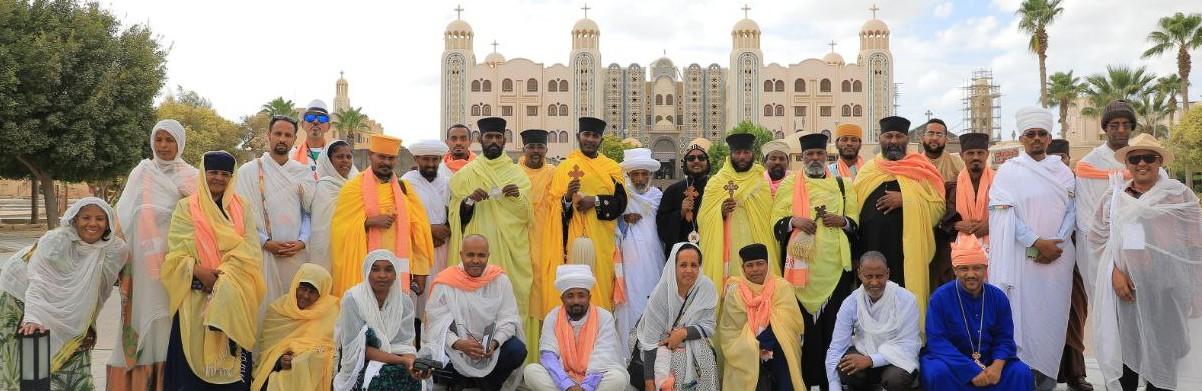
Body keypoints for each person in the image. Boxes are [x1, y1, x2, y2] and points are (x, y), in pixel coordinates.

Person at [1090, 134, 1202, 391]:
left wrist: (1196, 293)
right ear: (1127, 164)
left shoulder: (1179, 195)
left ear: (1159, 161)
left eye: (1149, 158)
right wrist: (1114, 274)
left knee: (1164, 358)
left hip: (1168, 289)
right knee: (1128, 360)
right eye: (1135, 158)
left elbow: (1196, 246)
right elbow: (1097, 240)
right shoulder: (1115, 197)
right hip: (1127, 290)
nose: (1142, 163)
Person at [988, 107, 1077, 391]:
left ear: (1049, 138)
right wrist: (1036, 242)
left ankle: (1047, 380)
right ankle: (1019, 380)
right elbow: (1003, 215)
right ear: (1022, 138)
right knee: (1021, 316)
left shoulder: (1062, 172)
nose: (1036, 138)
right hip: (1022, 258)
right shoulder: (1008, 172)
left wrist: (1056, 243)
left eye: (1041, 134)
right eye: (1030, 134)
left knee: (1051, 316)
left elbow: (1072, 211)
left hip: (1058, 259)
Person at [161, 151, 267, 389]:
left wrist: (223, 279)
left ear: (232, 177)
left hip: (234, 297)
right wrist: (198, 271)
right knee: (190, 375)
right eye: (213, 173)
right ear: (203, 174)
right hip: (195, 299)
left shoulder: (243, 207)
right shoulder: (186, 207)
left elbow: (250, 251)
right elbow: (176, 252)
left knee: (233, 369)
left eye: (225, 174)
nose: (219, 178)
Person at [106, 119, 199, 390]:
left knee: (170, 320)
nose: (163, 146)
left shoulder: (192, 176)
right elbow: (123, 214)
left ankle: (168, 380)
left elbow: (200, 218)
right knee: (139, 316)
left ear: (180, 143)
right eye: (159, 139)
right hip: (142, 264)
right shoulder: (142, 171)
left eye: (169, 140)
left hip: (175, 263)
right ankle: (137, 381)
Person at [0, 198, 128, 390]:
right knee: (29, 364)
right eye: (86, 217)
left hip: (69, 313)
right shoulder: (56, 241)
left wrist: (88, 324)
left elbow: (98, 292)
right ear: (75, 220)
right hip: (20, 295)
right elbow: (40, 281)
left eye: (100, 218)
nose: (93, 223)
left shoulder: (114, 250)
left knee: (77, 350)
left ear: (108, 222)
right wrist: (33, 317)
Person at [771, 133, 860, 389]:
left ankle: (833, 382)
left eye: (819, 154)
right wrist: (793, 221)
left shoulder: (844, 186)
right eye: (809, 154)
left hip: (835, 271)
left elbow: (855, 223)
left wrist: (841, 221)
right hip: (801, 272)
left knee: (835, 331)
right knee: (806, 335)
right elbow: (774, 223)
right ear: (802, 158)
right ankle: (809, 383)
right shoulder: (789, 185)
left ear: (826, 156)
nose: (814, 158)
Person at [447, 117, 535, 361]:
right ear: (480, 140)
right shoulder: (465, 176)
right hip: (477, 257)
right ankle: (470, 364)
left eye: (498, 137)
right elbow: (457, 217)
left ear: (505, 140)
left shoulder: (518, 174)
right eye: (489, 137)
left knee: (510, 306)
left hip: (509, 254)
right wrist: (469, 201)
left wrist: (517, 197)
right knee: (473, 309)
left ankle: (511, 363)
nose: (494, 141)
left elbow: (527, 217)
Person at [853, 116, 945, 321]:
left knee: (905, 306)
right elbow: (853, 211)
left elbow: (938, 208)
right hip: (872, 250)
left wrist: (907, 200)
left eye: (899, 136)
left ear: (907, 139)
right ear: (880, 138)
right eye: (889, 136)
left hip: (908, 254)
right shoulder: (868, 170)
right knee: (872, 308)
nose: (893, 141)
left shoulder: (922, 170)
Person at [921, 235, 1034, 390]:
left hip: (990, 358)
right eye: (964, 269)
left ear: (985, 268)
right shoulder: (940, 298)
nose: (971, 274)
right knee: (937, 373)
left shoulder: (998, 297)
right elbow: (938, 342)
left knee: (1021, 373)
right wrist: (970, 371)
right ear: (954, 270)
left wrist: (997, 367)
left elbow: (1005, 339)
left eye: (977, 268)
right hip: (951, 361)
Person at [330, 134, 434, 296]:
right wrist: (368, 222)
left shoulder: (404, 188)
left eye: (391, 158)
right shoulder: (353, 189)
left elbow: (418, 231)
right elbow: (339, 231)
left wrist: (420, 270)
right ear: (371, 155)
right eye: (382, 157)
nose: (386, 162)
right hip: (363, 271)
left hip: (397, 272)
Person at [423, 235, 527, 390]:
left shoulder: (500, 280)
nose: (476, 260)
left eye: (481, 255)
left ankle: (486, 383)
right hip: (456, 348)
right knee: (433, 352)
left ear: (488, 256)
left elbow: (509, 320)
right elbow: (434, 324)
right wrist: (458, 344)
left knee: (517, 350)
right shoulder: (446, 281)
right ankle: (463, 380)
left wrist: (494, 343)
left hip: (488, 348)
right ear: (461, 255)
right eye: (470, 255)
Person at [549, 117, 628, 310]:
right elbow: (555, 208)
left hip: (602, 241)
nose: (590, 139)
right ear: (578, 136)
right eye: (587, 135)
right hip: (574, 240)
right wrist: (568, 197)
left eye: (595, 136)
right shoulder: (564, 168)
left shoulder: (612, 168)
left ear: (601, 140)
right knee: (576, 285)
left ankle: (600, 331)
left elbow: (621, 203)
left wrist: (595, 201)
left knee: (601, 284)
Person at [236, 115, 315, 303]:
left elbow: (309, 212)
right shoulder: (248, 172)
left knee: (291, 307)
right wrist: (264, 242)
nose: (282, 139)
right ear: (268, 136)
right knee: (260, 307)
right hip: (260, 253)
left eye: (288, 135)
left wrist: (303, 241)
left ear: (295, 139)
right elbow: (240, 215)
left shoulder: (303, 172)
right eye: (278, 133)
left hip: (295, 255)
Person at [333, 249, 430, 391]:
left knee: (414, 378)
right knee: (381, 381)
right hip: (360, 363)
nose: (382, 275)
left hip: (397, 358)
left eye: (388, 270)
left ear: (396, 273)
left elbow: (405, 345)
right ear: (366, 272)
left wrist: (411, 364)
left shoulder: (404, 302)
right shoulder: (353, 299)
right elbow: (358, 349)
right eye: (375, 269)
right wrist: (402, 360)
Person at [825, 252, 920, 391]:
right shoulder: (851, 302)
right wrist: (834, 386)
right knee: (845, 366)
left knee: (895, 379)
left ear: (887, 274)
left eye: (879, 276)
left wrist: (870, 360)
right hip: (863, 352)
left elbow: (909, 346)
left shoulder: (906, 299)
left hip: (897, 359)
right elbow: (836, 348)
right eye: (869, 276)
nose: (874, 282)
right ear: (859, 274)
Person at [524, 265, 629, 391]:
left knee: (617, 378)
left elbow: (603, 357)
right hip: (563, 378)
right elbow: (548, 355)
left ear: (589, 297)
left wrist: (585, 387)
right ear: (562, 299)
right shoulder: (553, 316)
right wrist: (567, 385)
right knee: (531, 371)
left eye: (581, 295)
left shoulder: (603, 317)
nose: (576, 301)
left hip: (595, 380)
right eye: (570, 296)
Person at [719, 243, 806, 390]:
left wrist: (765, 341)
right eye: (749, 265)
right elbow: (729, 330)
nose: (755, 270)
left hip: (778, 350)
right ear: (743, 268)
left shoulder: (782, 287)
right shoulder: (735, 293)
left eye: (760, 264)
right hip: (745, 351)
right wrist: (755, 345)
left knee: (782, 345)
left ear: (768, 264)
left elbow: (790, 323)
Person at [635, 242, 719, 391]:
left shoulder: (706, 287)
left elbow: (709, 326)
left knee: (705, 355)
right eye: (683, 265)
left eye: (694, 265)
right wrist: (649, 382)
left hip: (691, 341)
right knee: (678, 361)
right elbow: (650, 341)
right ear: (674, 267)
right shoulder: (662, 293)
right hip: (660, 346)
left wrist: (682, 333)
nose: (689, 270)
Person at [699, 133, 779, 287]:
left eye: (746, 153)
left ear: (752, 154)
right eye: (738, 153)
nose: (742, 157)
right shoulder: (716, 182)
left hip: (756, 242)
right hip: (726, 245)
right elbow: (703, 218)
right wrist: (720, 212)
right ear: (731, 154)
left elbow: (768, 216)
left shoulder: (759, 180)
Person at [1075, 100, 1135, 299]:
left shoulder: (1142, 158)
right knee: (1108, 312)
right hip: (1101, 248)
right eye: (1114, 125)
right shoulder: (1089, 164)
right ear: (1105, 128)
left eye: (1126, 125)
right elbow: (1086, 220)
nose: (1121, 130)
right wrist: (1111, 263)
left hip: (1138, 244)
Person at [252, 264, 339, 391]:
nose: (305, 296)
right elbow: (266, 353)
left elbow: (336, 348)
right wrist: (279, 361)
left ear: (322, 294)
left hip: (316, 374)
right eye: (303, 289)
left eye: (313, 292)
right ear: (295, 286)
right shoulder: (278, 310)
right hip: (283, 371)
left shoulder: (332, 310)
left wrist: (310, 358)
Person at [1047, 138, 1091, 391]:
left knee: (1074, 315)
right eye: (1054, 158)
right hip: (1042, 258)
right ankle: (1045, 372)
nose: (1060, 163)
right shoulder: (1037, 185)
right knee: (1044, 316)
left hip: (1075, 261)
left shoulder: (1080, 184)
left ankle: (1076, 374)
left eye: (1063, 157)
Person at [614, 147, 667, 353]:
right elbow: (608, 225)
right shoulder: (622, 196)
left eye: (644, 174)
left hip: (654, 260)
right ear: (628, 175)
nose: (640, 178)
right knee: (630, 305)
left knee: (653, 302)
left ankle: (654, 355)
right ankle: (628, 356)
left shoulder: (657, 196)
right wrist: (623, 220)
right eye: (635, 174)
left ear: (650, 175)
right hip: (629, 263)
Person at [402, 139, 452, 321]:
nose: (431, 164)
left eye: (435, 160)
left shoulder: (447, 183)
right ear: (416, 159)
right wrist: (428, 231)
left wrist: (446, 229)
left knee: (440, 295)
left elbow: (452, 213)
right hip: (417, 249)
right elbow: (402, 216)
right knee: (417, 297)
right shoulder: (406, 183)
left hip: (442, 248)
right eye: (426, 159)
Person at [935, 133, 993, 289]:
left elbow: (1010, 214)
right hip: (959, 255)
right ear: (962, 156)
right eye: (970, 153)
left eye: (980, 153)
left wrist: (991, 225)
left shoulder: (1000, 183)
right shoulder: (951, 188)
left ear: (987, 154)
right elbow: (941, 220)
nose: (976, 157)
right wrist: (957, 225)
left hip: (995, 250)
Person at [520, 129, 565, 322]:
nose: (536, 150)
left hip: (549, 238)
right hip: (521, 238)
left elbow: (564, 203)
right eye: (531, 147)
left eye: (540, 146)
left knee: (548, 282)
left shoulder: (555, 173)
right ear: (524, 149)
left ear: (546, 149)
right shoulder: (515, 174)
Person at [656, 138, 712, 253]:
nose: (696, 161)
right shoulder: (672, 191)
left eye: (701, 158)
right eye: (691, 158)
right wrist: (680, 213)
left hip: (711, 250)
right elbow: (662, 225)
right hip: (680, 253)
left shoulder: (716, 189)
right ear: (685, 163)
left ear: (707, 162)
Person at [310, 139, 359, 271]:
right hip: (327, 250)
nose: (345, 160)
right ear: (329, 161)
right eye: (339, 156)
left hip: (353, 247)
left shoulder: (357, 186)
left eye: (349, 157)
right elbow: (321, 227)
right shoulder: (324, 187)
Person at [291, 100, 333, 176]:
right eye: (310, 117)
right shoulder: (291, 155)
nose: (316, 121)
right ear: (302, 124)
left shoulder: (335, 156)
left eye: (322, 118)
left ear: (328, 127)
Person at [921, 118, 965, 183]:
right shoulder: (915, 163)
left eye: (939, 134)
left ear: (946, 140)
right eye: (931, 134)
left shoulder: (956, 163)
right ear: (922, 139)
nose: (935, 138)